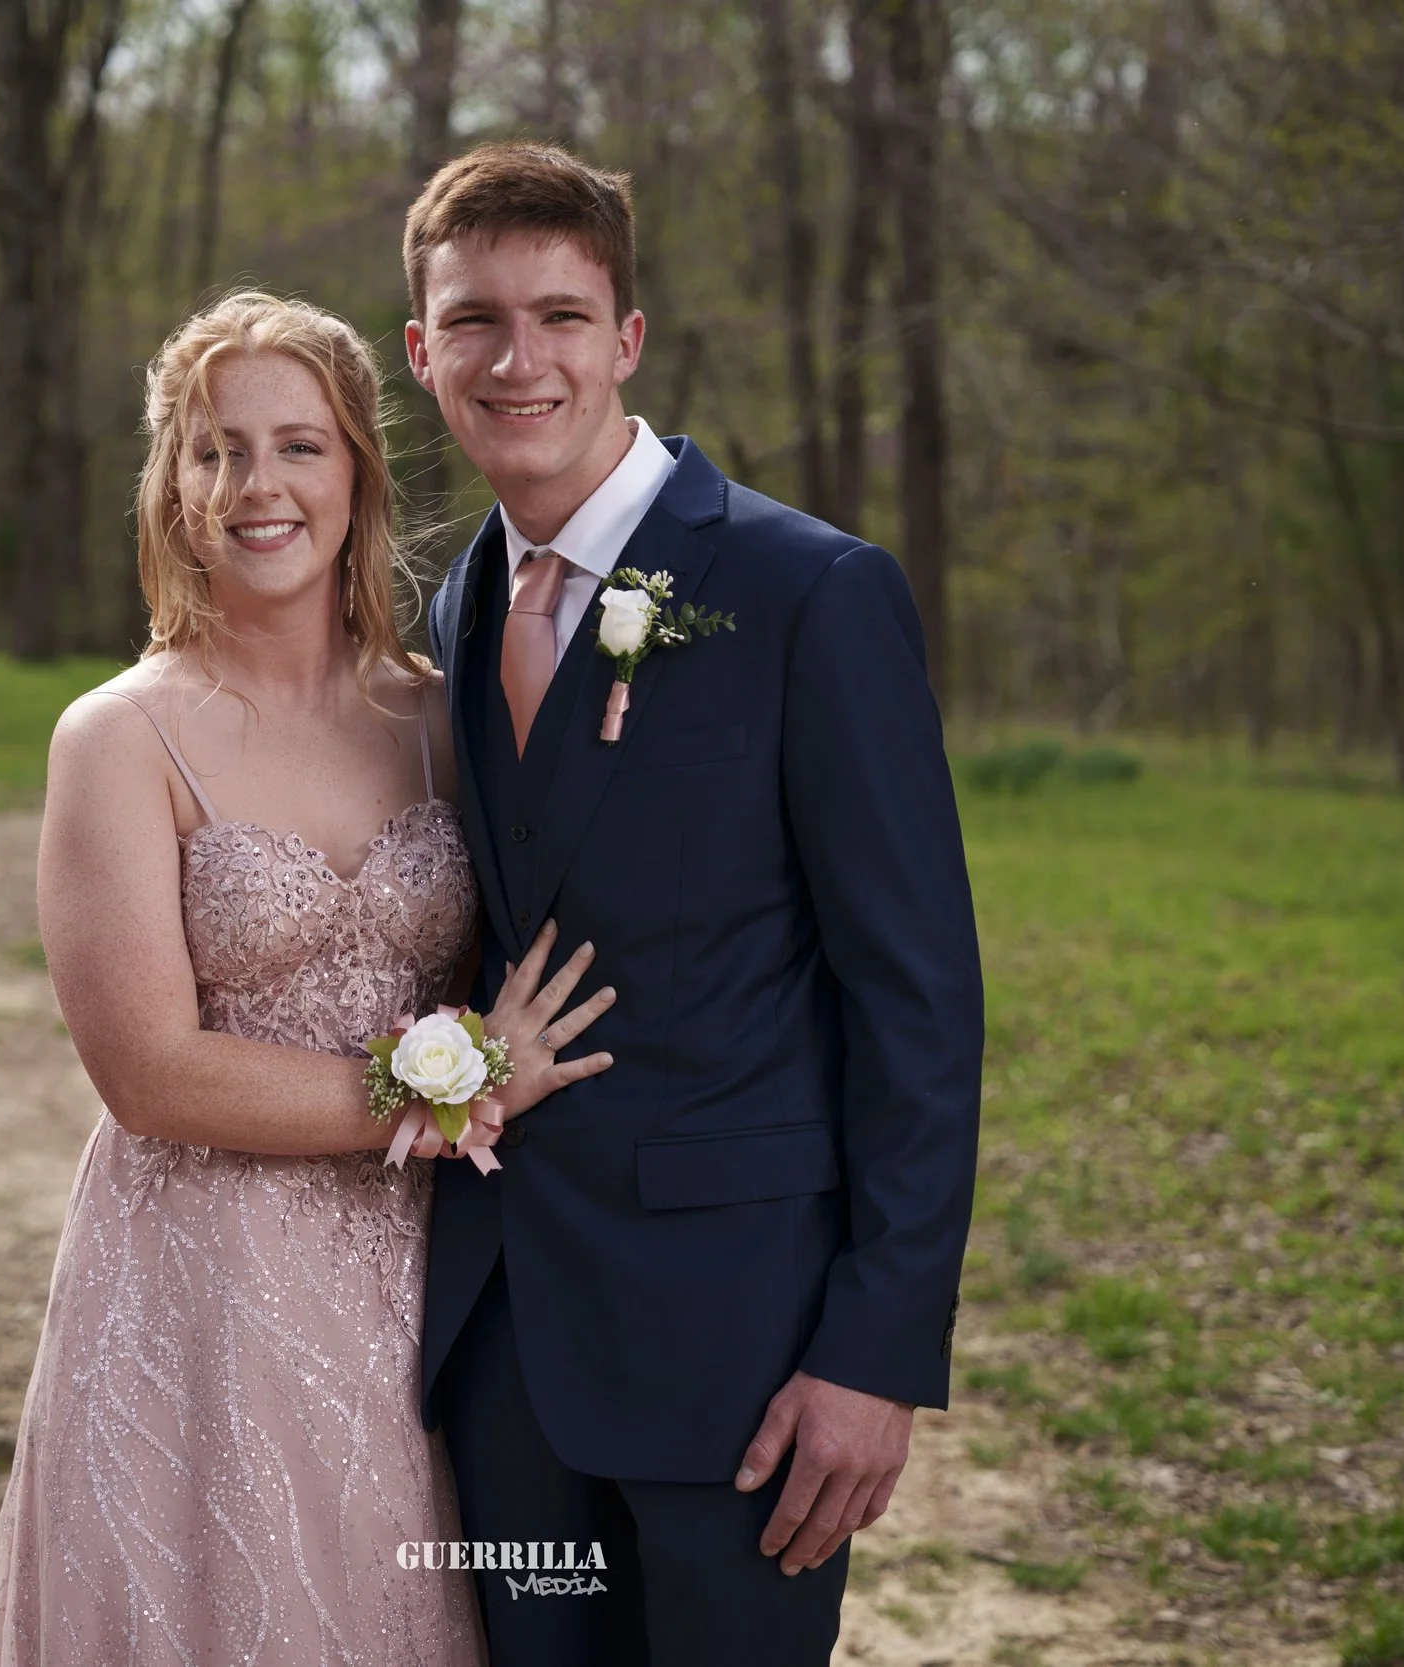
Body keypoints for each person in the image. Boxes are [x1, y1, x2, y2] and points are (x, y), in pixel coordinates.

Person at [0, 290, 614, 1667]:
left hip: (432, 1285)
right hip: (203, 1282)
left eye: (297, 446)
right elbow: (148, 1073)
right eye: (217, 450)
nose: (258, 485)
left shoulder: (447, 714)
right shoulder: (119, 737)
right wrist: (461, 1081)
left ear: (357, 472)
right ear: (173, 487)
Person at [406, 144, 986, 1666]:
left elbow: (917, 1001)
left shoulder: (811, 593)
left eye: (561, 316)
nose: (517, 360)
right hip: (502, 1348)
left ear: (630, 340)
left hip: (743, 1357)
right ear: (422, 350)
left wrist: (877, 1352)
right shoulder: (456, 604)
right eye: (473, 321)